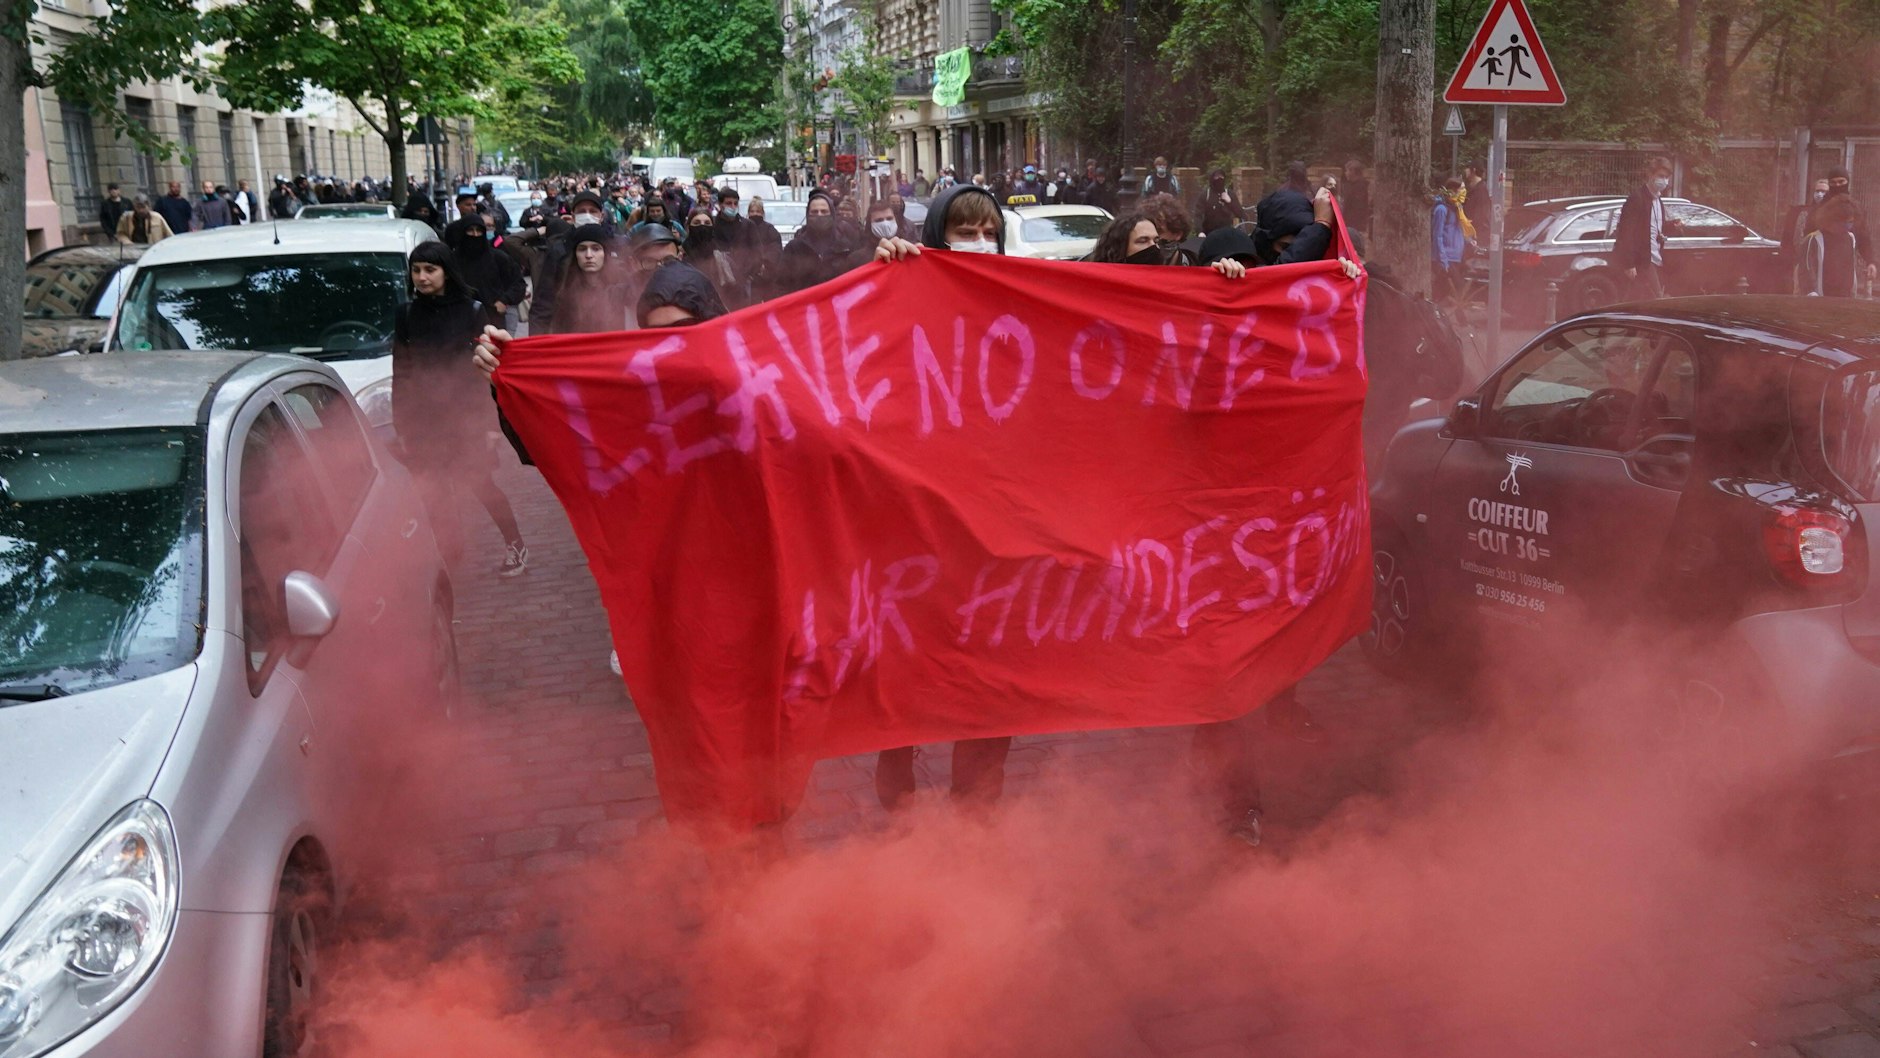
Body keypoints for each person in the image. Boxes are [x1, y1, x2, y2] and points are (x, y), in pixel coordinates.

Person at [865, 183, 1019, 812]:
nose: (978, 244)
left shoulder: (1024, 304)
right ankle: (897, 788)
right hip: (919, 528)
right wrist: (885, 278)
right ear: (936, 236)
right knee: (914, 668)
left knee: (995, 679)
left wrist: (1223, 279)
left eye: (989, 234)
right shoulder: (904, 285)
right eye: (965, 231)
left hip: (1001, 532)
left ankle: (974, 814)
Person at [391, 241, 528, 577]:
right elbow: (402, 371)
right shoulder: (406, 313)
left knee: (480, 484)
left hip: (464, 414)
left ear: (446, 272)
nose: (421, 277)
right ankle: (448, 551)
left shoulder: (472, 310)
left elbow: (487, 370)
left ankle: (516, 544)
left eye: (430, 269)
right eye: (416, 270)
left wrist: (490, 425)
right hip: (424, 419)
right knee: (433, 488)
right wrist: (402, 422)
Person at [777, 189, 873, 294]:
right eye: (814, 212)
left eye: (824, 211)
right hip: (806, 307)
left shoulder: (846, 246)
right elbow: (781, 284)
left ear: (832, 214)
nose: (819, 215)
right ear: (808, 215)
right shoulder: (794, 248)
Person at [445, 215, 527, 331]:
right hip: (461, 319)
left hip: (493, 319)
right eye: (470, 230)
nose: (475, 234)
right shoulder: (452, 260)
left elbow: (518, 284)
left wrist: (504, 300)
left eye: (479, 230)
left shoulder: (499, 258)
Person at [1612, 156, 1674, 300]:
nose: (1664, 181)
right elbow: (1625, 233)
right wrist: (1629, 264)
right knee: (1656, 300)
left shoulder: (1658, 201)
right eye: (1661, 176)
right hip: (1642, 262)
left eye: (1667, 177)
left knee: (1638, 302)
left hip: (1655, 259)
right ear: (1650, 175)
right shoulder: (1637, 198)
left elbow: (1655, 228)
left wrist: (1671, 227)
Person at [1808, 166, 1876, 286]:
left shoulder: (1855, 208)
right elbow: (1808, 239)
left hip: (1847, 266)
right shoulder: (1819, 208)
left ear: (1847, 182)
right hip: (1822, 267)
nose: (1838, 186)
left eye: (1841, 182)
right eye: (1833, 183)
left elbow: (1864, 237)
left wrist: (1871, 261)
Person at [1797, 196, 1868, 297]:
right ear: (1832, 220)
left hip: (1845, 297)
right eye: (1843, 222)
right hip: (1821, 298)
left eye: (1850, 222)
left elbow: (1851, 268)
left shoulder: (1850, 238)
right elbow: (1806, 269)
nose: (1847, 226)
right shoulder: (1814, 239)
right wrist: (1811, 293)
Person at [683, 208, 742, 306]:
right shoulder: (680, 257)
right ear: (689, 227)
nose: (702, 227)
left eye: (707, 223)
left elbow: (736, 293)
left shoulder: (724, 260)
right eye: (697, 223)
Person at [1430, 177, 1469, 307]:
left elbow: (1458, 231)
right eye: (1461, 189)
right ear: (1452, 191)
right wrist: (1443, 259)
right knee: (1452, 290)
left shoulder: (1457, 208)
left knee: (1451, 292)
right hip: (1446, 258)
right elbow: (1437, 236)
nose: (1464, 192)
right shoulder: (1442, 210)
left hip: (1456, 257)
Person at [743, 197, 786, 302]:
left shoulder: (769, 229)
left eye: (758, 211)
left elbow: (775, 248)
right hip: (749, 277)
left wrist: (765, 262)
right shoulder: (743, 229)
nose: (755, 214)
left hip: (768, 277)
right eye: (752, 211)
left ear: (762, 213)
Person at [1194, 170, 1246, 236]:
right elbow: (1198, 215)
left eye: (1221, 177)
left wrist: (1230, 202)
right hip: (1209, 233)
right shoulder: (1205, 195)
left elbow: (1241, 214)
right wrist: (1200, 231)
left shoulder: (1230, 194)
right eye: (1216, 177)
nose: (1219, 179)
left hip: (1227, 234)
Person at [1340, 159, 1370, 233]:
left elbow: (1357, 208)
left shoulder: (1361, 187)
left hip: (1355, 225)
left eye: (1347, 171)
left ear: (1352, 172)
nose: (1345, 173)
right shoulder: (1349, 185)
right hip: (1348, 223)